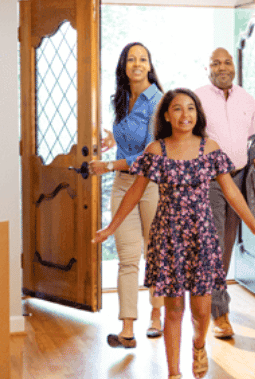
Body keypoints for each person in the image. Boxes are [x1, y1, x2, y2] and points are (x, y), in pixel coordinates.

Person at [92, 89, 255, 379]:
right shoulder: (156, 151)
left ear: (198, 114)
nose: (185, 115)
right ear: (166, 115)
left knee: (201, 312)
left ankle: (199, 345)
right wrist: (110, 228)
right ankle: (174, 373)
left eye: (191, 108)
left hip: (202, 238)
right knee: (174, 310)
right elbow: (134, 194)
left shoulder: (210, 149)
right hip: (168, 239)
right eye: (177, 109)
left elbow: (231, 193)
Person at [195, 47, 255, 339]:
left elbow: (252, 138)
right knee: (215, 247)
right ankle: (219, 314)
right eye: (215, 62)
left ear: (234, 66)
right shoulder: (197, 98)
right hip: (210, 182)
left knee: (226, 246)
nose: (222, 67)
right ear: (207, 69)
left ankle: (209, 302)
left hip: (241, 179)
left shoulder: (247, 99)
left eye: (227, 62)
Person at [88, 42, 164, 348]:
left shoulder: (158, 101)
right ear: (124, 65)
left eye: (142, 59)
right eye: (131, 59)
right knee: (127, 257)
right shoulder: (121, 99)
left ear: (149, 65)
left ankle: (156, 316)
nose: (137, 64)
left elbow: (149, 154)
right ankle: (127, 329)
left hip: (149, 186)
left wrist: (107, 165)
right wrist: (112, 139)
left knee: (155, 253)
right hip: (122, 184)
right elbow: (127, 139)